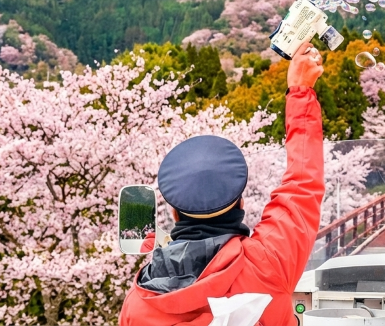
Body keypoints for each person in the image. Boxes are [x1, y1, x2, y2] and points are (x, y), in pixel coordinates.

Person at [119, 43, 325, 326]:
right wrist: (300, 91)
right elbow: (302, 183)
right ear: (240, 204)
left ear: (174, 214)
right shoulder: (268, 263)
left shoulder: (138, 304)